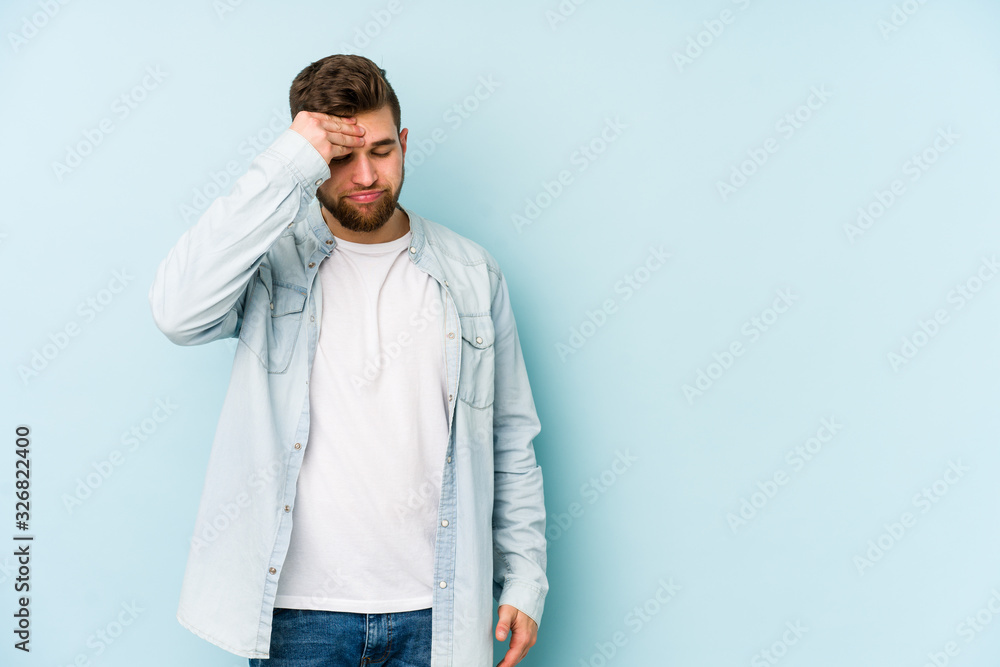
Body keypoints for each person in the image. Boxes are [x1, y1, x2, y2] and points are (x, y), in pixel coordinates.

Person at [147, 54, 548, 667]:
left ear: (405, 143)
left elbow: (510, 437)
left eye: (383, 151)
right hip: (296, 619)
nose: (366, 175)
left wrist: (524, 577)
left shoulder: (472, 272)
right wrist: (289, 161)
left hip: (438, 614)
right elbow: (178, 313)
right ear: (310, 160)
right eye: (339, 157)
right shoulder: (270, 263)